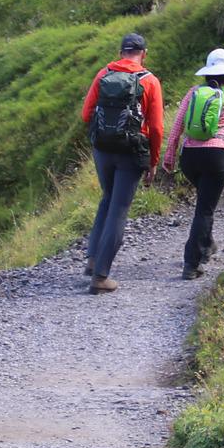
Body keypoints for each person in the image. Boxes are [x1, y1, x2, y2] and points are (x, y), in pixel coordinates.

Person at [161, 48, 224, 280]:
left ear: (207, 73)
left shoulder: (194, 92)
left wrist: (169, 155)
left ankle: (207, 244)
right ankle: (192, 263)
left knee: (205, 201)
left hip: (189, 158)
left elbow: (177, 125)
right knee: (205, 209)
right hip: (216, 156)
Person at [80, 32, 164, 294]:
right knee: (119, 207)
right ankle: (101, 277)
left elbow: (86, 114)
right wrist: (153, 161)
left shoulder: (103, 74)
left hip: (102, 149)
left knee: (107, 198)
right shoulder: (150, 81)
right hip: (131, 152)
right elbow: (157, 127)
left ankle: (93, 260)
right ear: (144, 53)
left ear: (121, 52)